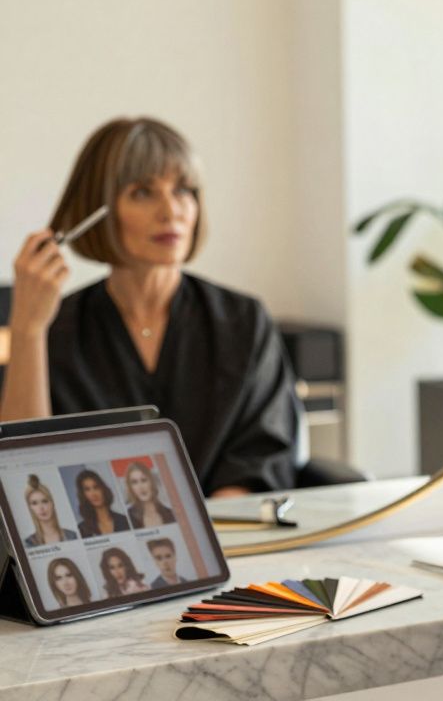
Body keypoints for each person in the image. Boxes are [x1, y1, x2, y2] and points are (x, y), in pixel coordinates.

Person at [0, 117, 300, 497]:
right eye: (143, 192)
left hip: (231, 542)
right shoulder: (57, 329)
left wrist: (204, 538)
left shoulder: (243, 321)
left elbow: (263, 458)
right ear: (98, 208)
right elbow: (24, 473)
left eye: (183, 190)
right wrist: (28, 329)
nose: (171, 210)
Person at [22, 474, 77, 547]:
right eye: (34, 503)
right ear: (30, 508)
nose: (41, 507)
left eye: (44, 501)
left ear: (52, 503)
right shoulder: (29, 542)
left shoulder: (71, 536)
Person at [73, 469, 130, 538]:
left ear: (103, 489)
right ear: (83, 495)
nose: (93, 494)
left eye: (96, 487)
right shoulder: (82, 529)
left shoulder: (124, 520)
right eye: (87, 489)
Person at [123, 461, 175, 529]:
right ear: (131, 487)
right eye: (134, 482)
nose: (140, 487)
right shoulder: (127, 516)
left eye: (144, 480)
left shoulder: (170, 513)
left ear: (151, 482)